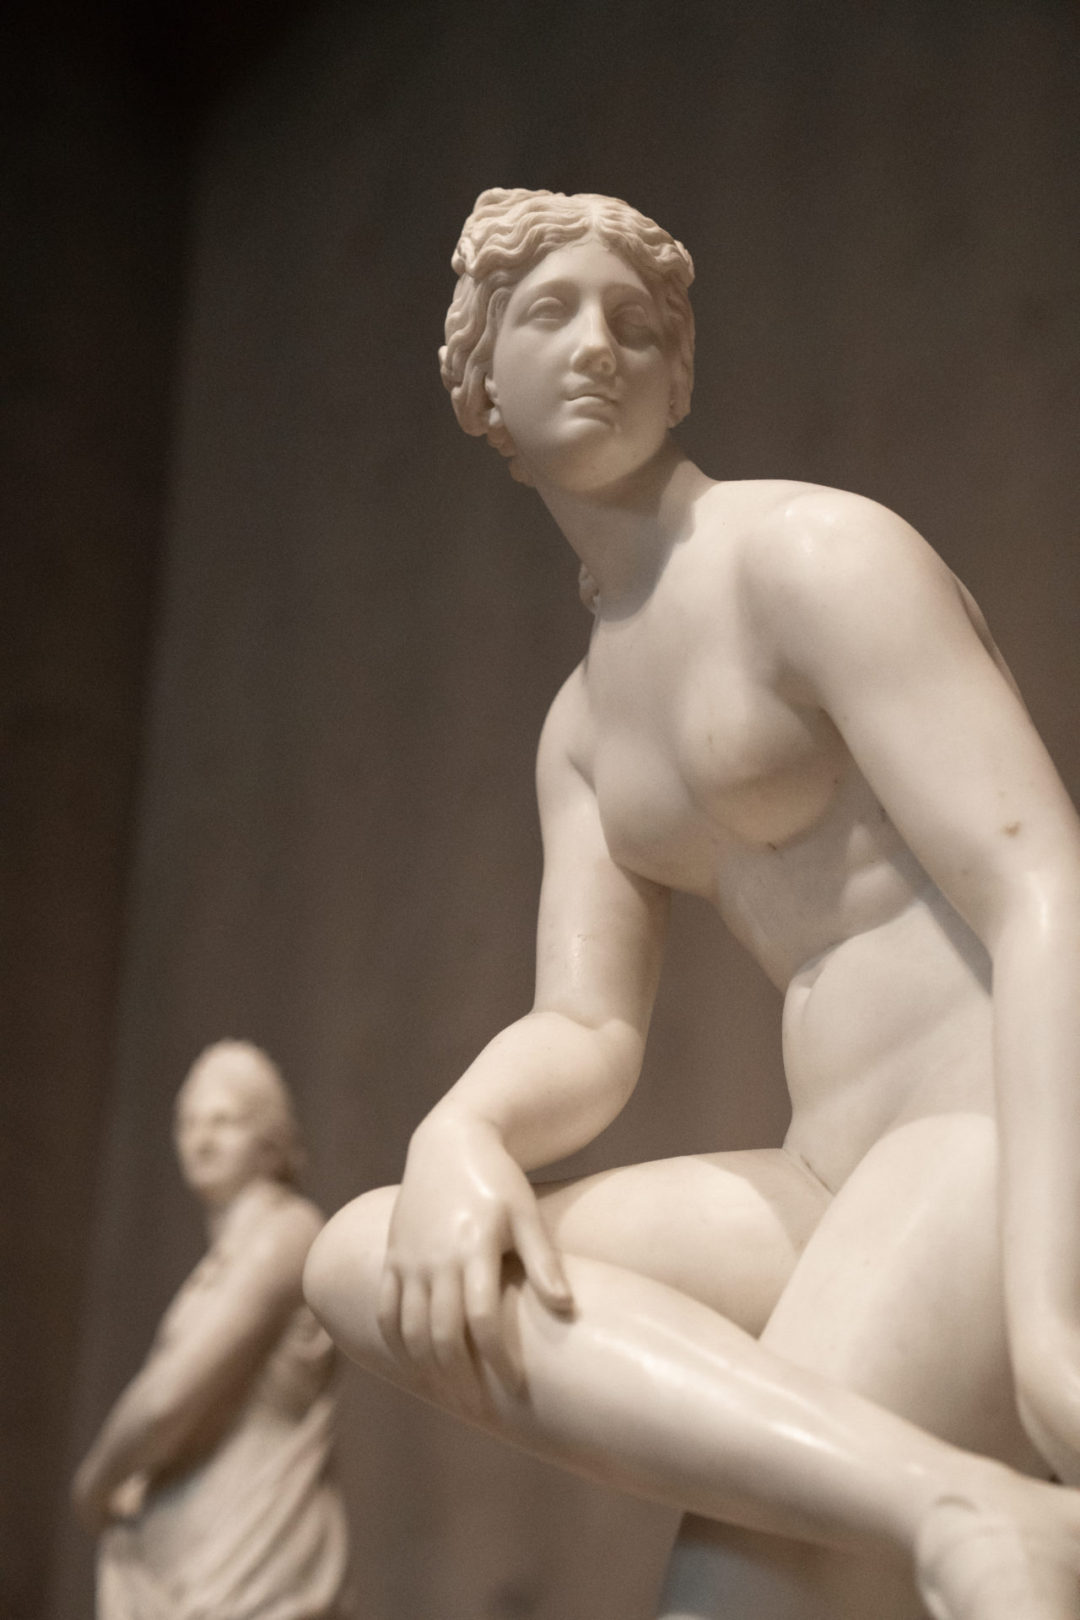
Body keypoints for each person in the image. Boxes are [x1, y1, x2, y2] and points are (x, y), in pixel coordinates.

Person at [303, 188, 1080, 1620]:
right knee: (370, 1249)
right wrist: (458, 1130)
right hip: (828, 1169)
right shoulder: (581, 732)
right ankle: (953, 1504)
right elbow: (588, 1025)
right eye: (552, 312)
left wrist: (1051, 1322)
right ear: (480, 380)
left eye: (638, 323)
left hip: (987, 1129)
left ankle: (973, 1509)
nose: (600, 345)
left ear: (680, 374)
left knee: (732, 1604)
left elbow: (1045, 884)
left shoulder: (811, 555)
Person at [74, 1040, 349, 1620]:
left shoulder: (284, 1234)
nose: (200, 1140)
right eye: (189, 1122)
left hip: (252, 1549)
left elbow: (168, 1399)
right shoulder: (220, 1264)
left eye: (224, 1121)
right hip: (193, 1558)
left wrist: (95, 1484)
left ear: (269, 1137)